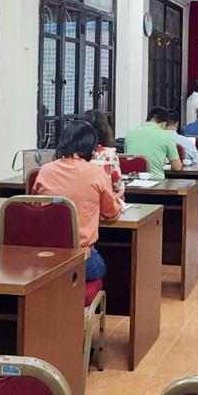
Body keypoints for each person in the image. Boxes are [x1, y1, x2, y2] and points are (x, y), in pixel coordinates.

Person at [31, 120, 123, 281]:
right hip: (82, 258)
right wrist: (119, 203)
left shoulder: (45, 170)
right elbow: (111, 214)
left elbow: (34, 206)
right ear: (91, 147)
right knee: (108, 265)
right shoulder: (96, 173)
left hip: (47, 256)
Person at [124, 107, 184, 179]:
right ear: (164, 124)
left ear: (147, 120)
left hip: (132, 180)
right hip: (156, 181)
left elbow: (128, 158)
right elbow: (177, 167)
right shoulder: (166, 135)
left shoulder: (130, 133)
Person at [82, 109, 124, 201]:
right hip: (104, 203)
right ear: (104, 130)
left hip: (75, 204)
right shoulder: (109, 154)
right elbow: (117, 187)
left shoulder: (70, 155)